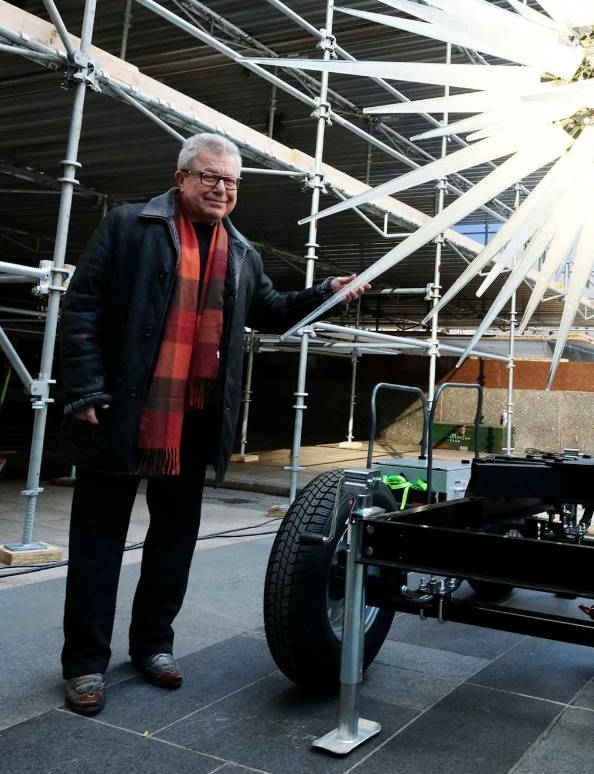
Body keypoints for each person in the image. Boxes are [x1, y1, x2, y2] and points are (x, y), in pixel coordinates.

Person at [56, 133, 370, 716]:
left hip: (195, 421)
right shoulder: (130, 226)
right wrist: (86, 389)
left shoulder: (243, 253)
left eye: (230, 180)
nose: (221, 187)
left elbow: (270, 311)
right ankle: (84, 665)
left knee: (173, 542)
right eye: (209, 176)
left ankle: (153, 645)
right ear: (181, 178)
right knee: (98, 544)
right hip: (123, 411)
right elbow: (84, 307)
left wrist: (327, 292)